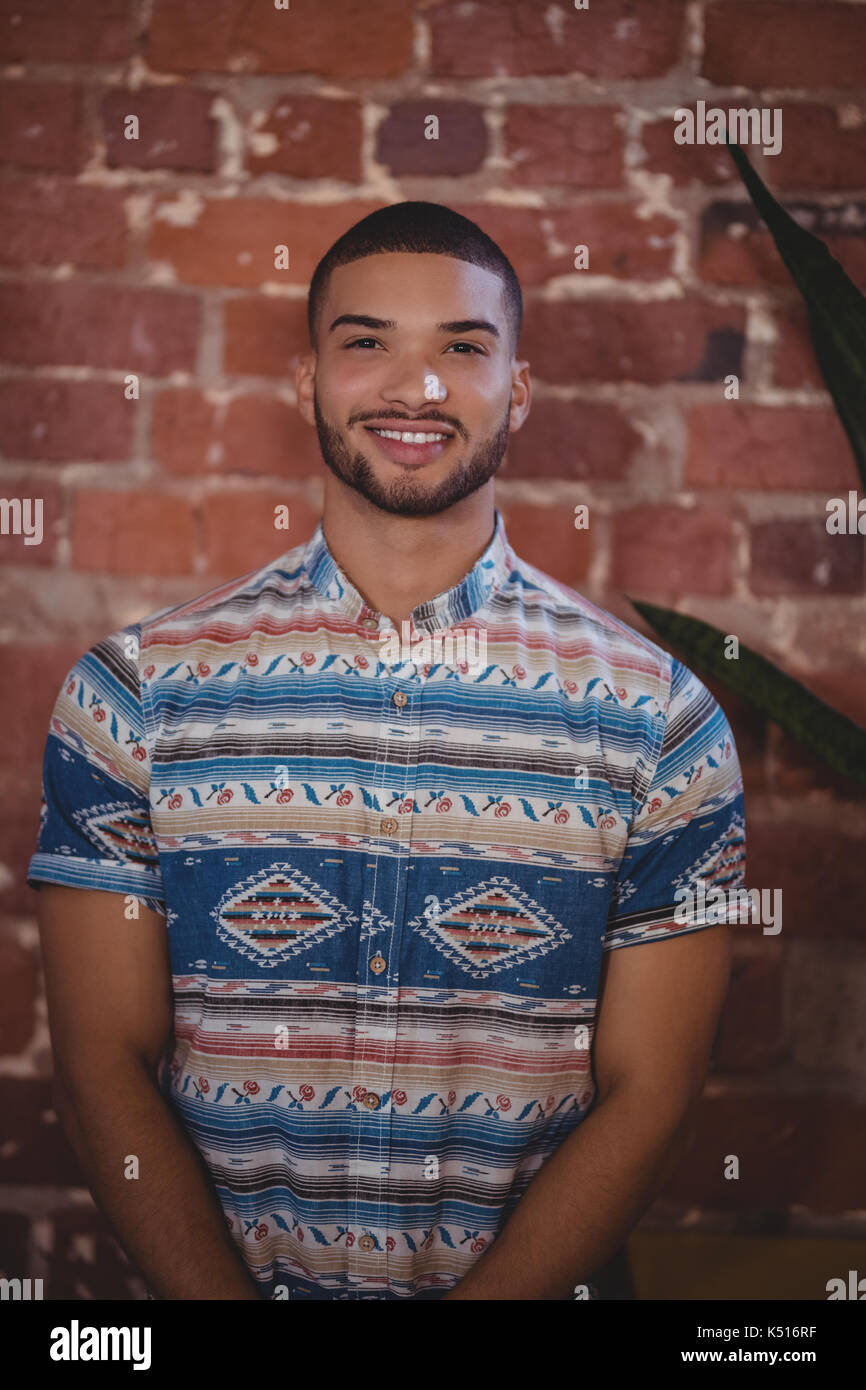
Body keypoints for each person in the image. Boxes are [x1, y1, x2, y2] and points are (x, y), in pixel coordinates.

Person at [28, 201, 746, 1301]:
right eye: (367, 343)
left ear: (518, 385)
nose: (414, 389)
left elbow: (648, 1094)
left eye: (461, 348)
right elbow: (98, 1067)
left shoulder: (658, 718)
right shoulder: (136, 695)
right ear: (305, 378)